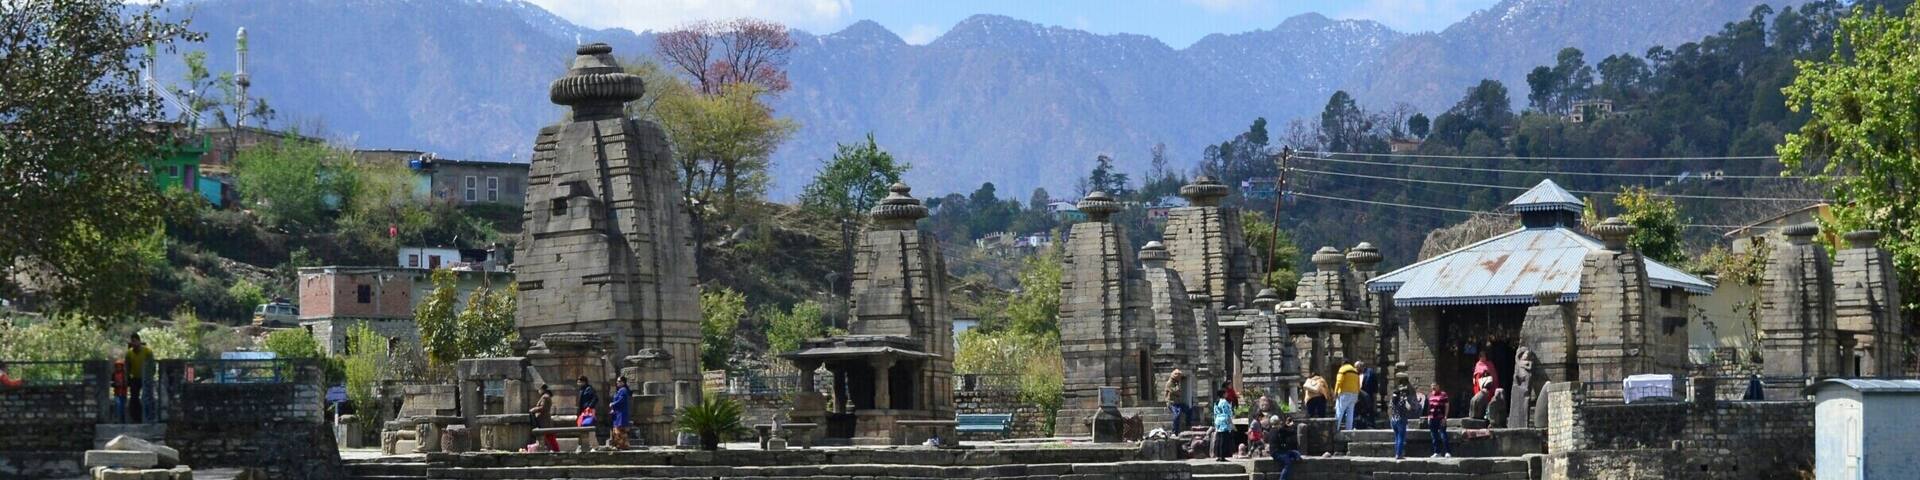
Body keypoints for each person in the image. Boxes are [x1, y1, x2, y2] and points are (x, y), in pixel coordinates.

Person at [124, 334, 153, 423]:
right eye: (132, 341)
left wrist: (150, 376)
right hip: (135, 378)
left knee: (147, 397)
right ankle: (136, 418)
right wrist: (127, 378)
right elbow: (127, 366)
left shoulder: (147, 351)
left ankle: (149, 418)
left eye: (136, 341)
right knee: (134, 398)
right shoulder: (129, 353)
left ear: (139, 341)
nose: (134, 344)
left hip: (146, 378)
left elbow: (152, 364)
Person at [1388, 378, 1419, 460]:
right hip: (1401, 420)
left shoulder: (1392, 400)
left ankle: (1397, 453)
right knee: (1401, 437)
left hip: (1393, 420)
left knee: (1396, 437)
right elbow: (1409, 408)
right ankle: (1399, 454)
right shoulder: (1402, 400)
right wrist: (1406, 400)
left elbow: (1390, 408)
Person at [1266, 414, 1301, 480]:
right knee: (1288, 463)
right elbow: (1290, 432)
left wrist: (1286, 425)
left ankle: (1292, 458)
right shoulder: (1279, 430)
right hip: (1277, 453)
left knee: (1296, 454)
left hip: (1281, 451)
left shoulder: (1271, 430)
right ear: (1278, 422)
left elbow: (1284, 431)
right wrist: (1291, 425)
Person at [1425, 382, 1452, 458]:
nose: (1433, 387)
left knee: (1443, 435)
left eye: (1435, 386)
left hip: (1441, 418)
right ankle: (1437, 452)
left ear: (1438, 386)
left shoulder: (1443, 395)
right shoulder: (1430, 395)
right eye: (1432, 386)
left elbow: (1447, 406)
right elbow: (1429, 407)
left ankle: (1447, 452)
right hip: (1432, 418)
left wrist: (1445, 417)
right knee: (1434, 436)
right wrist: (1428, 417)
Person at [530, 384, 559, 452]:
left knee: (548, 436)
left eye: (539, 389)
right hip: (545, 419)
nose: (538, 391)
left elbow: (543, 408)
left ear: (543, 389)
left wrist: (533, 409)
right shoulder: (546, 396)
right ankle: (553, 449)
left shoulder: (545, 397)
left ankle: (555, 450)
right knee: (548, 436)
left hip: (544, 420)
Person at [1333, 362, 1361, 430]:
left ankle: (1336, 428)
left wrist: (1335, 392)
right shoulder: (1355, 371)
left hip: (1344, 393)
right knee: (1350, 413)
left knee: (1339, 411)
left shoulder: (1343, 369)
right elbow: (1358, 384)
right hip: (1354, 394)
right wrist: (1357, 395)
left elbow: (1339, 381)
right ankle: (1349, 429)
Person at [608, 376, 632, 450]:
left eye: (618, 381)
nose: (617, 382)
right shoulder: (621, 390)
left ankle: (621, 445)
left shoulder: (623, 390)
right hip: (618, 413)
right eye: (617, 381)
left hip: (621, 413)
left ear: (623, 382)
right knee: (620, 430)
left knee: (619, 430)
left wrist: (613, 404)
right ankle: (623, 445)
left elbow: (621, 400)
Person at [1211, 389, 1234, 462]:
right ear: (1223, 394)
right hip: (1224, 421)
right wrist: (1230, 422)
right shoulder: (1224, 402)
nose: (1227, 394)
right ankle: (1222, 456)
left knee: (1218, 439)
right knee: (1224, 439)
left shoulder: (1216, 402)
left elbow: (1215, 413)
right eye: (1226, 393)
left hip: (1218, 420)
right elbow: (1227, 412)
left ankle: (1218, 455)